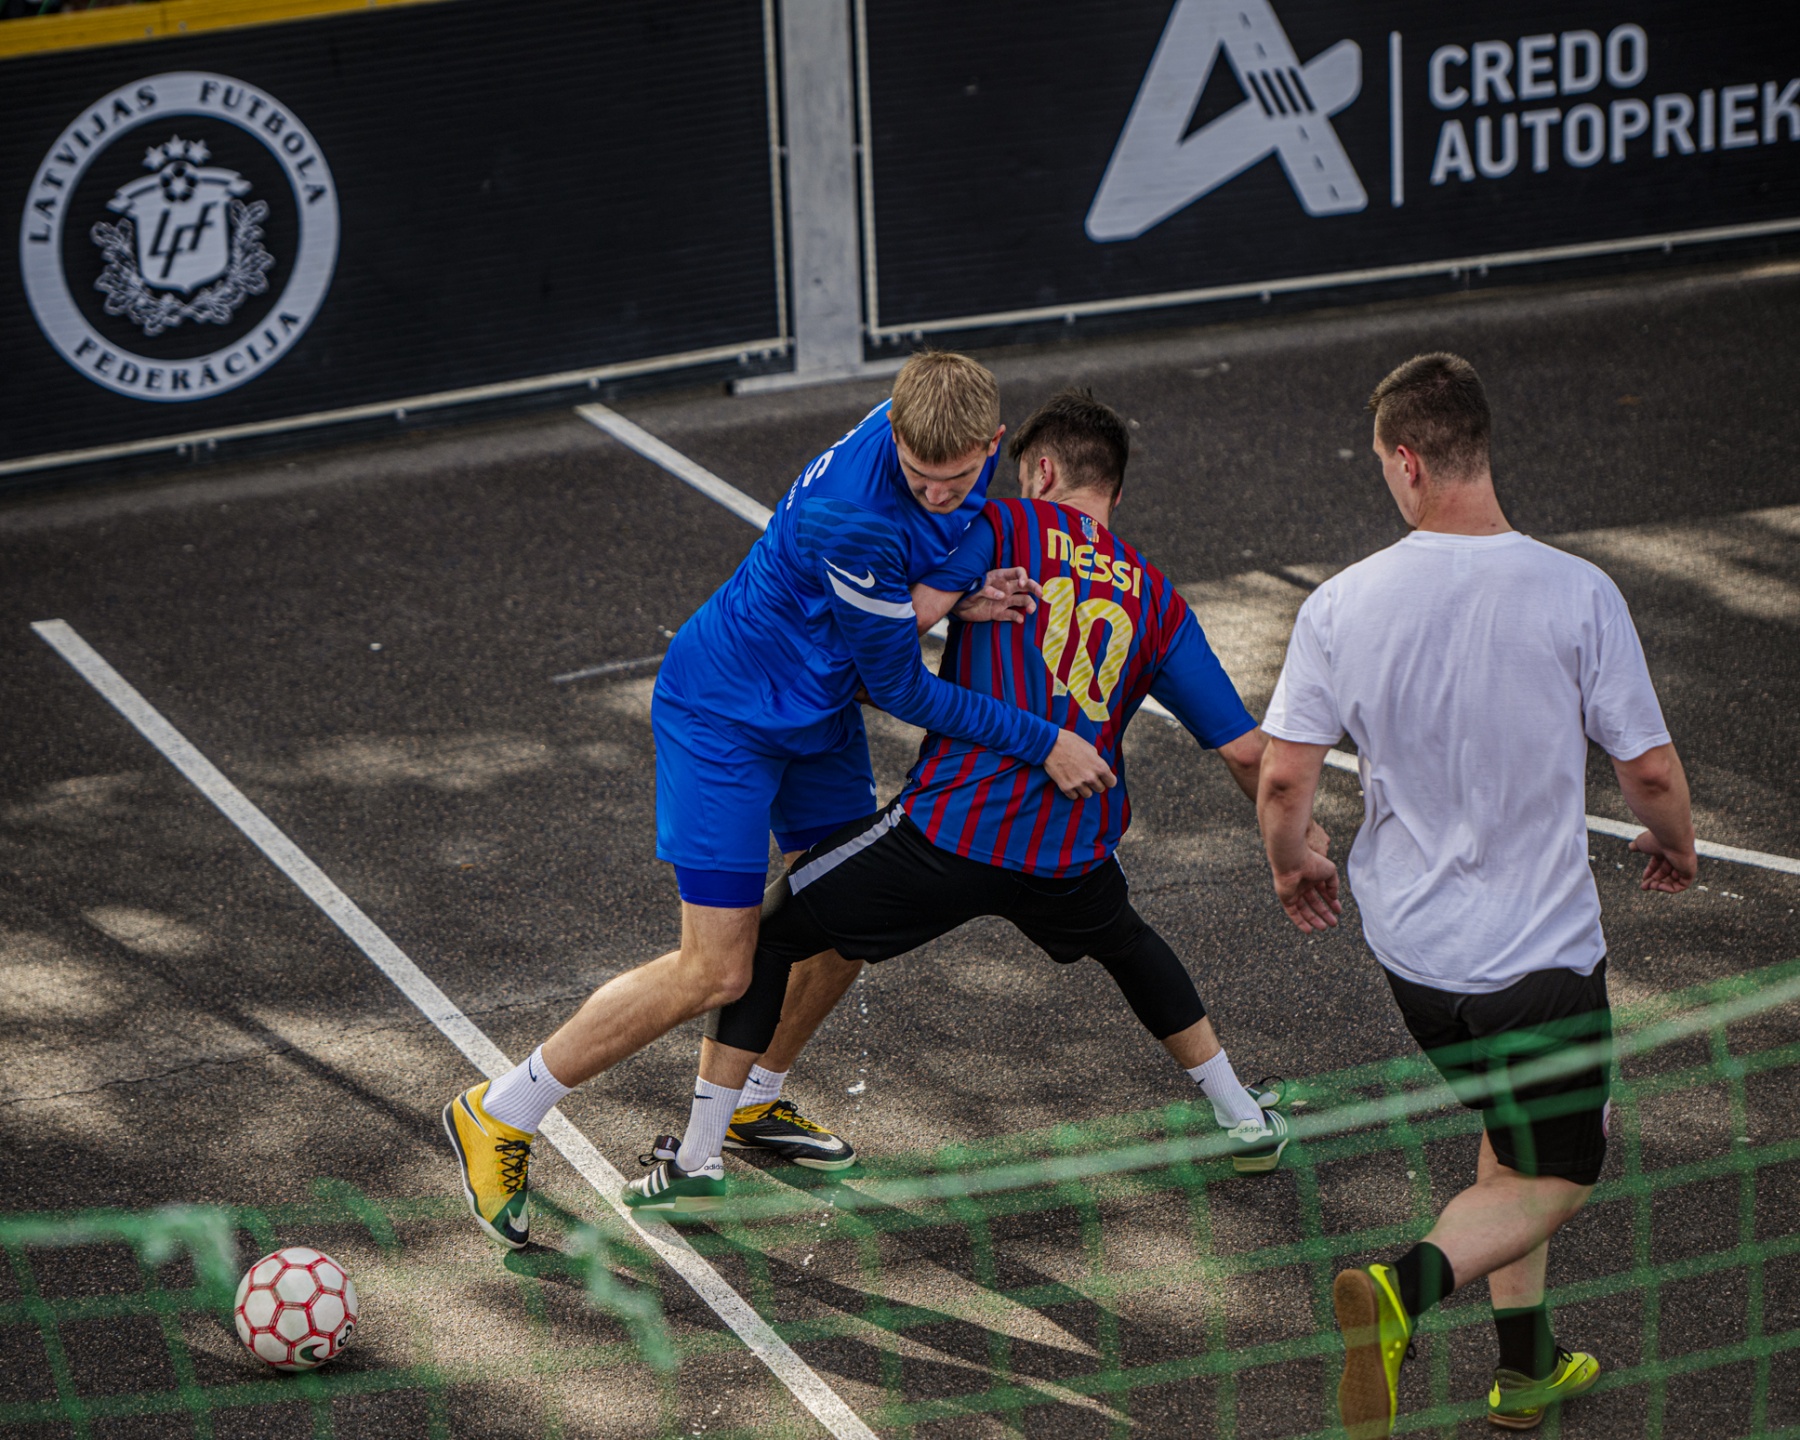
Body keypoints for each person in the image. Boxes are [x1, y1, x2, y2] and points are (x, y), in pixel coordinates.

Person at [444, 351, 1117, 1249]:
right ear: (894, 430)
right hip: (725, 714)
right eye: (919, 476)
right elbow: (901, 690)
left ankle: (754, 1099)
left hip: (817, 706)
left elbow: (918, 582)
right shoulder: (853, 514)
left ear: (993, 443)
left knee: (849, 915)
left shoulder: (929, 438)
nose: (937, 495)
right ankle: (501, 1111)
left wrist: (949, 595)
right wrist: (1042, 738)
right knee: (717, 969)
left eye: (956, 481)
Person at [624, 388, 1329, 1212]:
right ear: (1114, 489)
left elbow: (892, 645)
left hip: (950, 834)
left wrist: (943, 609)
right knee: (1132, 948)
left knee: (767, 939)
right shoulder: (1159, 598)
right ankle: (1242, 1118)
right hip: (1068, 848)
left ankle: (700, 1154)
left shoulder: (1000, 526)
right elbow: (1246, 752)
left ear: (1041, 470)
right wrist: (1297, 846)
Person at [1255, 353, 1697, 1437]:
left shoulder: (1340, 604)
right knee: (1566, 1170)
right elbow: (1648, 771)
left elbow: (1284, 780)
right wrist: (1675, 842)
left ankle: (1525, 1369)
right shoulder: (1576, 592)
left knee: (1512, 1139)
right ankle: (1401, 1289)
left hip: (1417, 962)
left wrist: (1292, 862)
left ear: (1408, 462)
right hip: (1539, 960)